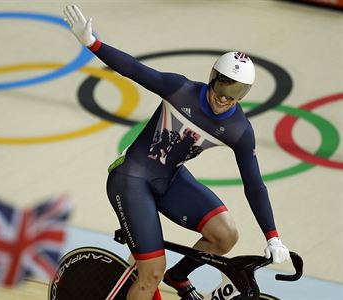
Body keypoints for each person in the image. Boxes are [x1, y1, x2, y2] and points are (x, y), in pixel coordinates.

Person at [63, 5, 290, 300]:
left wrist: (272, 236)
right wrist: (92, 42)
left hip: (170, 180)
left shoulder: (239, 130)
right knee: (151, 272)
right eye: (222, 87)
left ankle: (179, 276)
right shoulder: (180, 89)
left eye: (234, 94)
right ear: (213, 77)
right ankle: (158, 274)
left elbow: (254, 184)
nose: (224, 98)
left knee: (225, 235)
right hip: (131, 179)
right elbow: (134, 69)